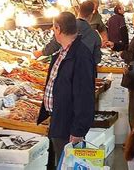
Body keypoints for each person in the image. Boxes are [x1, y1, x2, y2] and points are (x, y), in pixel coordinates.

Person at [37, 12, 95, 166]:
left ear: (58, 29)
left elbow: (85, 97)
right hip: (58, 119)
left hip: (68, 124)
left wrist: (78, 130)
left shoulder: (81, 57)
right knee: (61, 163)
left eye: (53, 28)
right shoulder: (63, 53)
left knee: (67, 164)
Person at [34, 0, 102, 66]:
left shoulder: (67, 26)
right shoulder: (95, 35)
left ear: (78, 10)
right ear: (92, 13)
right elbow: (97, 59)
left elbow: (54, 45)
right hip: (86, 72)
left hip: (67, 68)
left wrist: (40, 53)